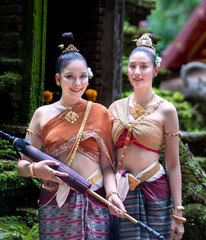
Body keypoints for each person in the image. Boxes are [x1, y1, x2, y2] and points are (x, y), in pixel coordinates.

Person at [17, 32, 125, 239]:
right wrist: (34, 169)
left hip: (94, 198)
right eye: (70, 77)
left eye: (83, 77)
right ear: (58, 79)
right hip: (54, 200)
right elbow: (21, 165)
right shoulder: (42, 114)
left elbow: (107, 167)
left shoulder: (100, 112)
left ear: (88, 76)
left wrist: (113, 195)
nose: (77, 83)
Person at [108, 33, 185, 240]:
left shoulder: (166, 110)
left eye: (144, 66)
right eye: (132, 66)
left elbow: (173, 164)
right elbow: (106, 157)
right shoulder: (115, 108)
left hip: (156, 191)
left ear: (156, 70)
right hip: (121, 192)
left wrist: (178, 213)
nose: (137, 72)